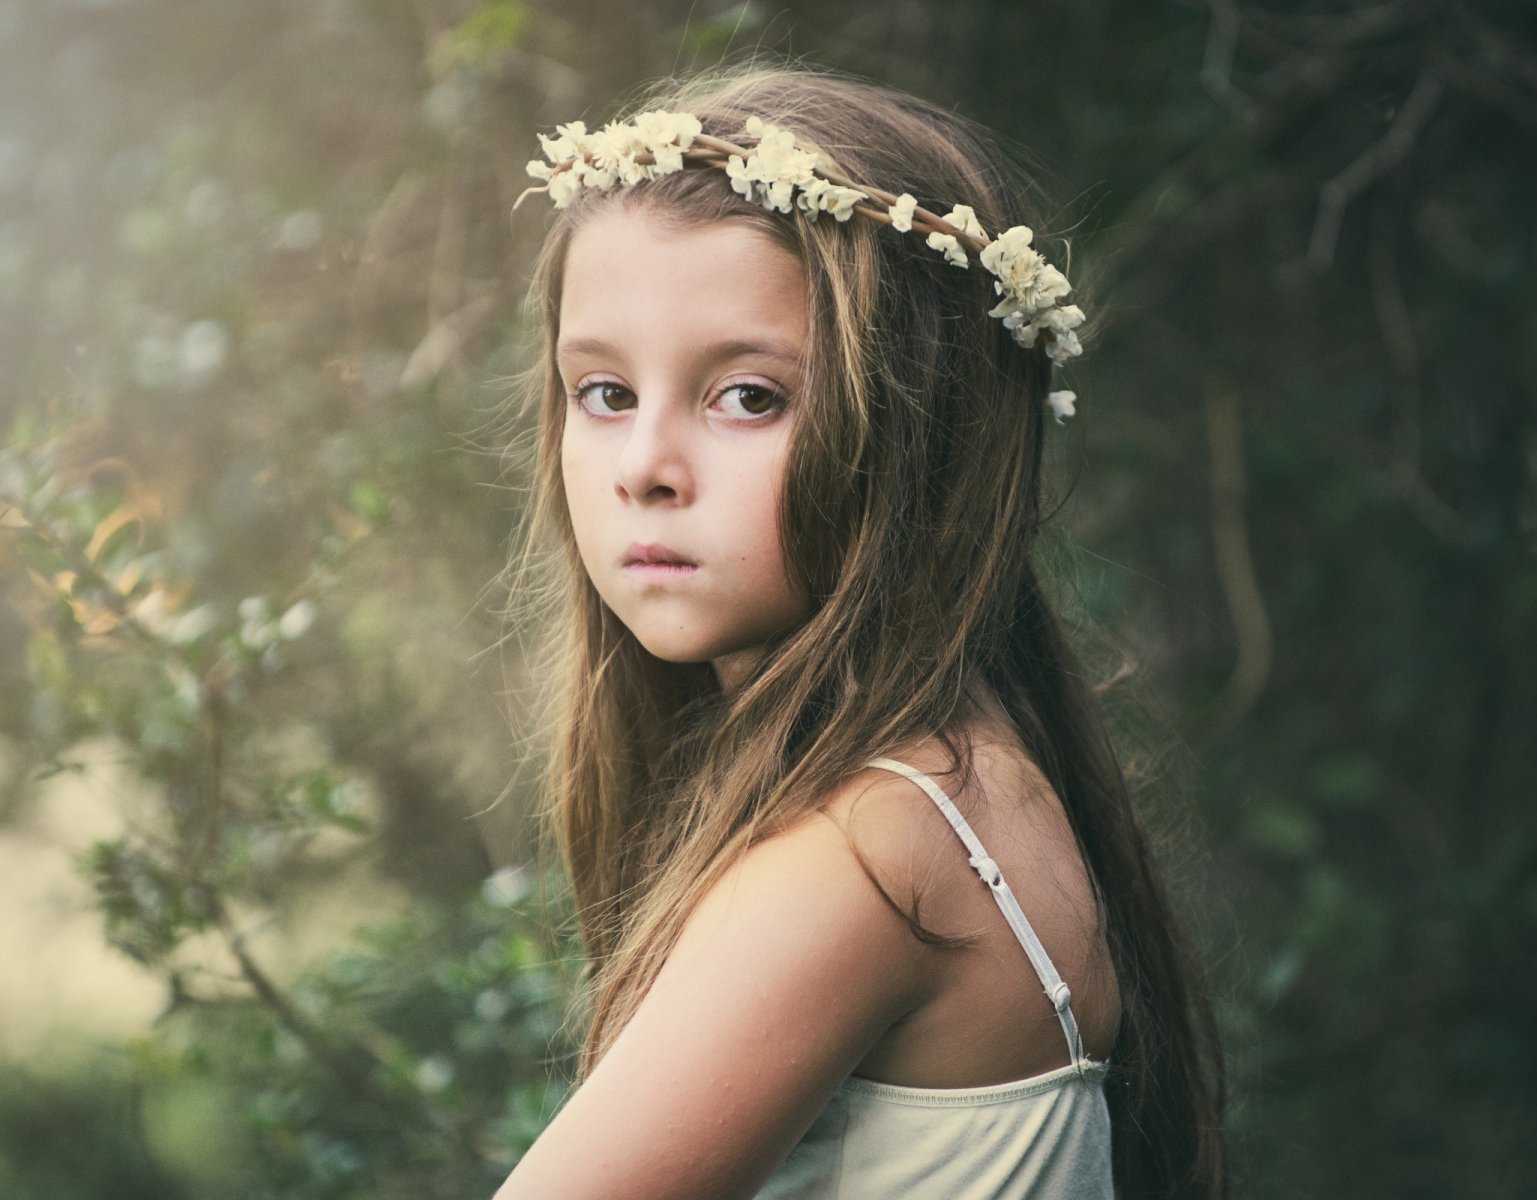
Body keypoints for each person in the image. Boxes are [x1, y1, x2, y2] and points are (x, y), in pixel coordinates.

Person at [490, 61, 1227, 1200]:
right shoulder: (964, 780)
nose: (644, 469)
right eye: (604, 393)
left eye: (748, 396)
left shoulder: (868, 849)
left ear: (916, 430)